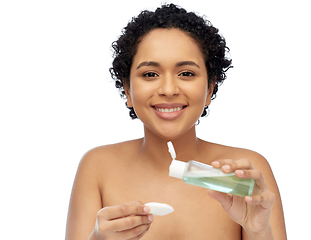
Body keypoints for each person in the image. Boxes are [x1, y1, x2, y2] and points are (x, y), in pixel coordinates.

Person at [66, 3, 287, 240]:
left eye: (186, 74)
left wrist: (258, 230)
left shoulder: (244, 175)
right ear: (128, 90)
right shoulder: (98, 167)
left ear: (210, 88)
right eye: (150, 74)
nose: (169, 89)